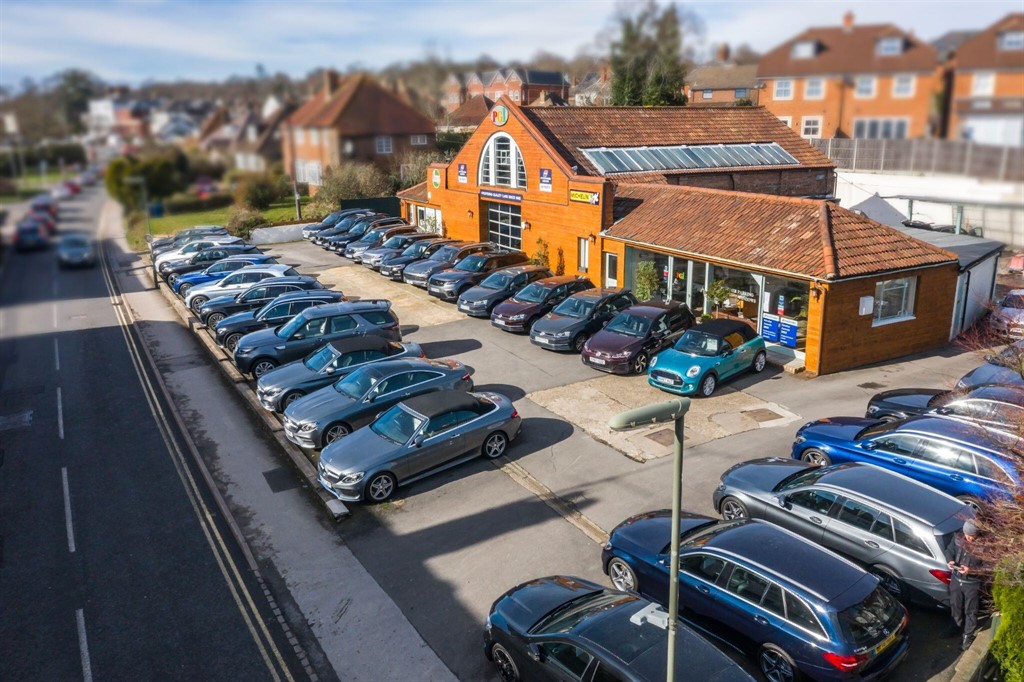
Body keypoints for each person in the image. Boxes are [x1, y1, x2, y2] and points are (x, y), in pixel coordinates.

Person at [943, 519, 985, 651]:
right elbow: (949, 550)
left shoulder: (985, 546)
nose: (969, 538)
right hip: (956, 578)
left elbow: (988, 568)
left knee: (970, 610)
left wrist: (972, 570)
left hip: (972, 583)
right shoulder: (958, 537)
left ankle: (968, 635)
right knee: (955, 605)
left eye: (972, 536)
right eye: (967, 535)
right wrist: (950, 560)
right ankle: (954, 627)